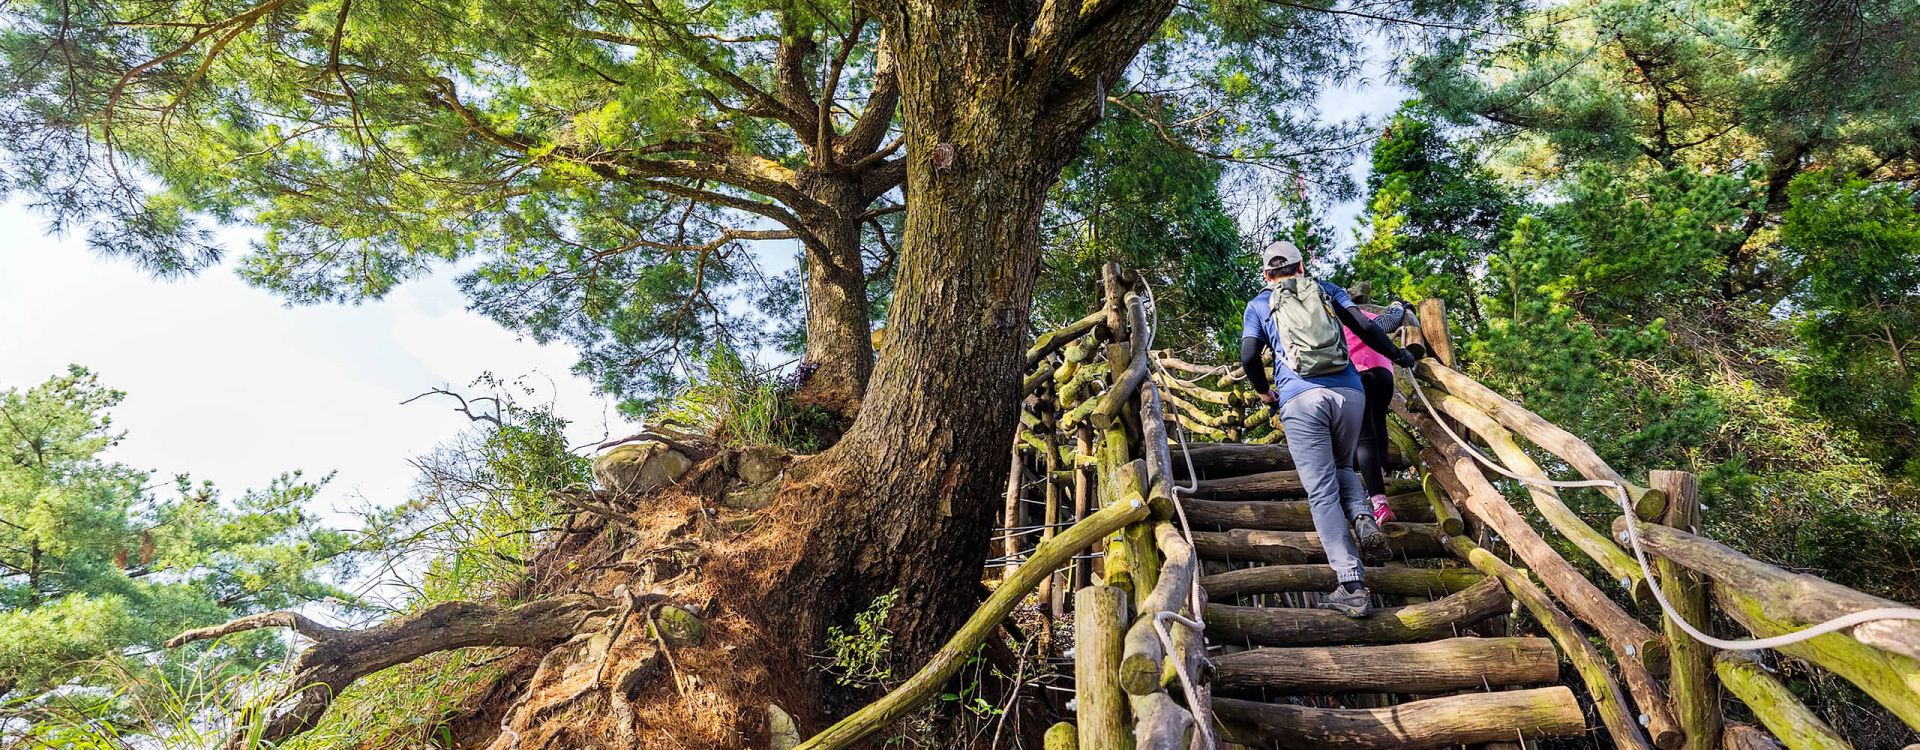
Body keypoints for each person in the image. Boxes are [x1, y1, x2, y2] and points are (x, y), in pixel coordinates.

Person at [1240, 240, 1420, 618]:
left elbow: (1248, 356)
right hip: (1349, 396)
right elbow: (1365, 328)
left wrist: (1263, 392)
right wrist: (1398, 355)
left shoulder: (1259, 304)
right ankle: (1363, 516)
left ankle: (1352, 585)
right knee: (1343, 469)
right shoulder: (1328, 290)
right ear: (1300, 267)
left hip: (1301, 400)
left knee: (1322, 493)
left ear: (1266, 275)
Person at [1344, 301, 1416, 524]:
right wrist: (1398, 308)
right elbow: (1387, 322)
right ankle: (1382, 473)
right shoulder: (1358, 314)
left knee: (1365, 436)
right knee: (1379, 423)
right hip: (1383, 375)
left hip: (1358, 374)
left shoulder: (1330, 321)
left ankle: (1379, 502)